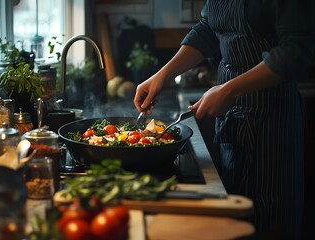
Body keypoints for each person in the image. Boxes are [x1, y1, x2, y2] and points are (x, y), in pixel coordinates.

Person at [134, 0, 314, 238]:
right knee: (234, 213)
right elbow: (209, 28)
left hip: (272, 118)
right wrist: (163, 75)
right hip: (231, 114)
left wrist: (229, 90)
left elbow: (296, 50)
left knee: (270, 218)